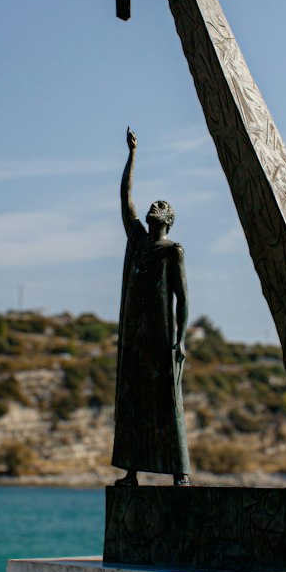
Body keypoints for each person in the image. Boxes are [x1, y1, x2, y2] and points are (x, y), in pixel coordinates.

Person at [112, 127, 190, 486]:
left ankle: (179, 473)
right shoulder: (138, 241)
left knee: (168, 404)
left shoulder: (172, 251)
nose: (153, 207)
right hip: (136, 338)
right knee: (134, 403)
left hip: (161, 338)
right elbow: (125, 194)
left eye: (162, 206)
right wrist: (133, 154)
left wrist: (181, 339)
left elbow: (182, 297)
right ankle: (131, 471)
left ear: (168, 220)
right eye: (153, 205)